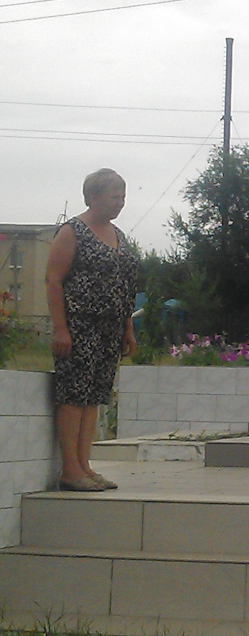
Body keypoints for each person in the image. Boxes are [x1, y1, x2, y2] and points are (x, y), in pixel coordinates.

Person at [45, 168, 138, 492]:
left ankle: (85, 465)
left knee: (93, 397)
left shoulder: (119, 235)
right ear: (93, 196)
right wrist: (61, 329)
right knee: (74, 395)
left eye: (123, 197)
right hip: (78, 327)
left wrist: (127, 328)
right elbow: (53, 279)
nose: (121, 203)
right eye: (115, 196)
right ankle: (70, 469)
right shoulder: (73, 231)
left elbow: (125, 286)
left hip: (109, 331)